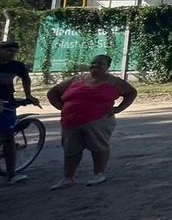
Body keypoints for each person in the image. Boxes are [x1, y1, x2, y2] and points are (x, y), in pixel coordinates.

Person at [46, 55, 137, 190]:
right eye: (93, 63)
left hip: (99, 120)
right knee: (71, 150)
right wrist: (62, 107)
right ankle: (68, 177)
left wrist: (119, 108)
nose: (95, 66)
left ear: (107, 67)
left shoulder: (114, 82)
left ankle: (98, 174)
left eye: (100, 64)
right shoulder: (77, 79)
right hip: (70, 121)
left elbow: (131, 92)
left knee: (98, 147)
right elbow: (52, 93)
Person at [0, 40, 38, 185]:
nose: (11, 55)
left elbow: (26, 79)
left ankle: (11, 174)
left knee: (8, 138)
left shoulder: (17, 66)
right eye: (8, 51)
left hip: (7, 102)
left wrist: (29, 95)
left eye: (14, 52)